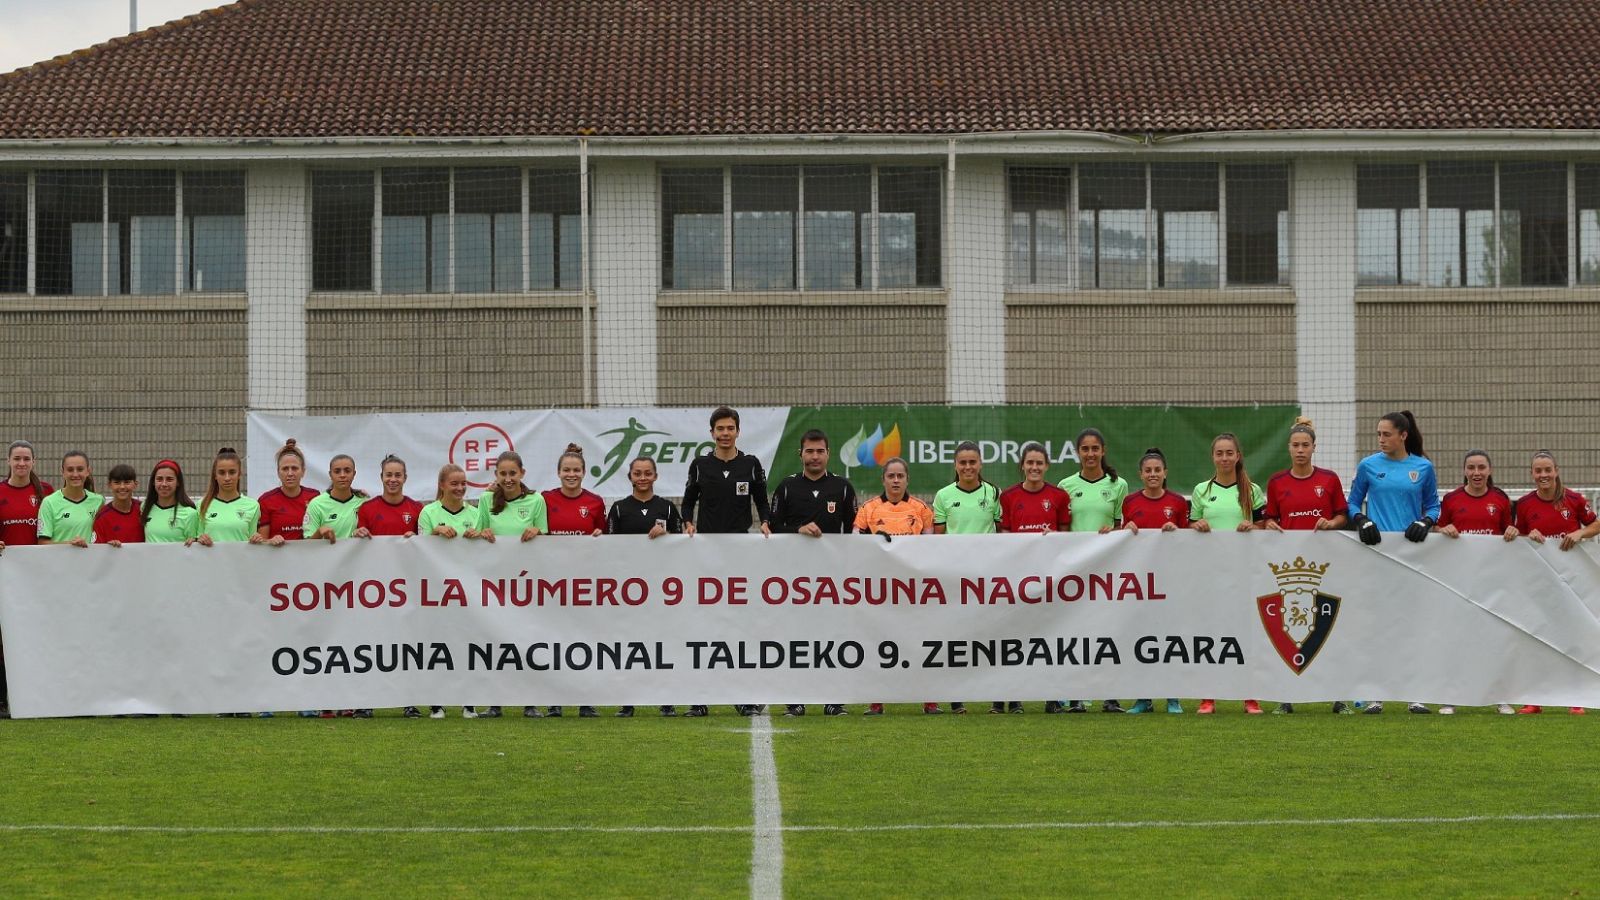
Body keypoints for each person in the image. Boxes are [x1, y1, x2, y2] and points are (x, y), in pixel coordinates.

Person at [1347, 410, 1440, 715]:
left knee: (1413, 626)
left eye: (1386, 434)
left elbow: (1433, 505)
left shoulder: (1423, 467)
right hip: (1377, 556)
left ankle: (1416, 695)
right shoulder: (1368, 466)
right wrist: (1361, 520)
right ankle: (1377, 695)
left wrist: (1426, 522)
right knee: (1378, 626)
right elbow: (1352, 502)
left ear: (1403, 435)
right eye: (1378, 434)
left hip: (1412, 558)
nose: (1381, 439)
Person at [682, 406, 772, 717]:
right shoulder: (700, 465)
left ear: (737, 431)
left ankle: (742, 694)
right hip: (706, 554)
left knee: (739, 625)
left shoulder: (751, 464)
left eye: (730, 428)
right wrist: (687, 523)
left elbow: (762, 501)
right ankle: (699, 698)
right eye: (719, 428)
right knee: (705, 625)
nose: (725, 433)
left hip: (741, 553)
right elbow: (688, 502)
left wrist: (766, 521)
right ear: (712, 433)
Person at [1261, 418, 1350, 714]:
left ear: (1314, 448)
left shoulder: (1329, 480)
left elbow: (1343, 516)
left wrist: (1331, 524)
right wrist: (1270, 524)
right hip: (1289, 569)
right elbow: (1270, 518)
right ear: (1288, 448)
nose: (1300, 450)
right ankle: (1286, 696)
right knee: (1289, 629)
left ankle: (1338, 697)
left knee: (1328, 628)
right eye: (1296, 445)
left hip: (1325, 566)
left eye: (1305, 445)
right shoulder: (1277, 482)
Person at [770, 429, 858, 717]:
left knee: (832, 638)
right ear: (801, 454)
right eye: (810, 451)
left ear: (828, 454)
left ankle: (833, 699)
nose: (815, 456)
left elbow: (854, 532)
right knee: (796, 639)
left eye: (820, 451)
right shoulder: (786, 487)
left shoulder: (843, 487)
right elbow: (773, 526)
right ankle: (795, 699)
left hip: (833, 580)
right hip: (793, 580)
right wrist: (798, 529)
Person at [1512, 450, 1599, 716]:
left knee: (1574, 638)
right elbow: (1517, 537)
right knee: (1537, 638)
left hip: (1571, 583)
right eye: (1538, 471)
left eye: (1547, 470)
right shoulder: (1524, 504)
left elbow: (1596, 525)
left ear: (1556, 471)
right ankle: (1534, 700)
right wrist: (1528, 534)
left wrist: (1580, 532)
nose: (1543, 475)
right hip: (1539, 581)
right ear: (1532, 474)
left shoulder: (1574, 499)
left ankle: (1577, 699)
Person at [1435, 449, 1518, 716]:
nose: (1476, 473)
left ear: (1489, 470)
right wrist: (1442, 529)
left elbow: (1509, 533)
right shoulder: (1451, 499)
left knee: (1493, 640)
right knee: (1457, 640)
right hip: (1459, 582)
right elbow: (1437, 529)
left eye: (1481, 467)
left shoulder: (1500, 499)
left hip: (1491, 582)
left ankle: (1500, 696)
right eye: (1471, 468)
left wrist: (1512, 531)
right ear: (1464, 471)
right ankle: (1451, 697)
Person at [853, 457, 939, 716]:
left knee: (921, 642)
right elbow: (855, 544)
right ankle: (876, 701)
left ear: (907, 479)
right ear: (883, 480)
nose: (896, 480)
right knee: (879, 642)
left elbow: (930, 547)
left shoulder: (921, 509)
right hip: (880, 589)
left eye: (900, 476)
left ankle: (930, 700)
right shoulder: (868, 509)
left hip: (914, 588)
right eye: (891, 476)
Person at [1189, 433, 1266, 715]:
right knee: (1210, 634)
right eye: (1219, 453)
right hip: (1210, 575)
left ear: (1238, 456)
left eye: (1229, 453)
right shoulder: (1201, 490)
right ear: (1213, 457)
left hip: (1243, 574)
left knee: (1246, 634)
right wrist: (1196, 526)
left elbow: (1264, 527)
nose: (1224, 458)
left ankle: (1250, 697)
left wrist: (1252, 527)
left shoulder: (1251, 490)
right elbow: (1189, 527)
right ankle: (1208, 697)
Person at [1056, 428, 1130, 712]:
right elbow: (1063, 528)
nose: (1090, 454)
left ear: (1103, 451)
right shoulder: (1065, 485)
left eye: (1095, 449)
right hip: (1075, 570)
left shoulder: (1118, 485)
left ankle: (1110, 696)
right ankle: (1076, 695)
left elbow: (1123, 527)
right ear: (1078, 452)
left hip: (1107, 568)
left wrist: (1113, 532)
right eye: (1085, 449)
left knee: (1108, 630)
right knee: (1075, 632)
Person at [607, 456, 684, 719]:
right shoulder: (619, 509)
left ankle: (667, 700)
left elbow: (683, 544)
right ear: (630, 476)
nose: (642, 478)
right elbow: (608, 547)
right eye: (637, 473)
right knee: (630, 645)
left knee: (664, 644)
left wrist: (667, 536)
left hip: (662, 589)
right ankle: (628, 701)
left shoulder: (668, 508)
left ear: (656, 476)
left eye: (647, 473)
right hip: (630, 591)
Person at [997, 441, 1071, 713]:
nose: (1035, 467)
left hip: (1049, 579)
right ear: (1022, 465)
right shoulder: (1008, 496)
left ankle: (1052, 697)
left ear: (1047, 466)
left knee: (1050, 637)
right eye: (1030, 463)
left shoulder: (1059, 496)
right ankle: (1015, 697)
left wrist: (1054, 539)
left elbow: (1066, 535)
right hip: (1018, 579)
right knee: (1017, 638)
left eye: (1039, 463)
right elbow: (1004, 537)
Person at [475, 450, 547, 719]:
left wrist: (538, 531)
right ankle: (495, 703)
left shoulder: (536, 500)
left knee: (528, 642)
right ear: (496, 475)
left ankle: (530, 702)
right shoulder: (485, 500)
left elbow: (546, 535)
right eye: (503, 474)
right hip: (494, 583)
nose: (508, 479)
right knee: (496, 641)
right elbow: (477, 533)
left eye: (512, 473)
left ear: (522, 473)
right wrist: (482, 532)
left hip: (527, 584)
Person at [933, 441, 1001, 715]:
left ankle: (998, 698)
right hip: (956, 579)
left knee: (992, 636)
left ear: (980, 463)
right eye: (963, 462)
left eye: (972, 462)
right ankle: (956, 697)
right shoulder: (943, 495)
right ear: (955, 465)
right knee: (957, 637)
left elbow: (1003, 535)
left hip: (988, 579)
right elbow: (937, 541)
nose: (968, 467)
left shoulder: (993, 493)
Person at [1120, 448, 1188, 715]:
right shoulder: (1130, 502)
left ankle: (1173, 698)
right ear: (1140, 474)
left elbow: (1188, 542)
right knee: (1141, 640)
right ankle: (1143, 698)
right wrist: (1125, 529)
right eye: (1148, 470)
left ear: (1165, 473)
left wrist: (1177, 532)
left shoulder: (1178, 503)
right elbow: (1121, 541)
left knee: (1170, 640)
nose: (1153, 474)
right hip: (1139, 584)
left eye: (1157, 470)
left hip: (1170, 581)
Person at [543, 444, 606, 717]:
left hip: (583, 585)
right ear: (558, 472)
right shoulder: (544, 499)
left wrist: (600, 538)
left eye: (576, 470)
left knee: (584, 641)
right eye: (566, 470)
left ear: (584, 472)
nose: (571, 474)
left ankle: (585, 699)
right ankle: (554, 700)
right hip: (551, 584)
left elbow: (605, 538)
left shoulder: (595, 502)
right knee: (552, 641)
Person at [418, 464, 478, 718]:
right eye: (454, 483)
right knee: (437, 647)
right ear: (442, 485)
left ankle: (469, 702)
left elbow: (487, 549)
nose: (460, 488)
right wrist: (434, 533)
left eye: (463, 483)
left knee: (468, 645)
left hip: (468, 592)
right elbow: (418, 549)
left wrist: (480, 535)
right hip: (437, 592)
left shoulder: (475, 513)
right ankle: (436, 703)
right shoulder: (428, 512)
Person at [0, 440, 54, 717]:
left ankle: (40, 696)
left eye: (26, 459)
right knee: (5, 638)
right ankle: (3, 699)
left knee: (39, 635)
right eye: (17, 459)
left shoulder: (46, 492)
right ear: (8, 461)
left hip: (40, 579)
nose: (21, 463)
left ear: (34, 462)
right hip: (7, 578)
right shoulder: (0, 492)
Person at [189, 448, 261, 547]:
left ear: (239, 474)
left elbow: (253, 542)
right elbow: (197, 539)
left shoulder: (253, 505)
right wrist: (199, 540)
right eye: (222, 473)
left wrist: (256, 539)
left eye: (232, 472)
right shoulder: (202, 504)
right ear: (215, 475)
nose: (227, 478)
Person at [257, 438, 320, 545]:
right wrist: (270, 541)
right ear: (278, 472)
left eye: (294, 468)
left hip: (309, 555)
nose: (290, 473)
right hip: (277, 556)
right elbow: (261, 543)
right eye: (285, 469)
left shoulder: (315, 497)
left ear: (303, 471)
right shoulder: (266, 500)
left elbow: (320, 538)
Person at [36, 450, 101, 548]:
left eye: (80, 469)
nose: (75, 474)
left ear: (88, 471)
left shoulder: (99, 501)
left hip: (91, 558)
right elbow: (42, 543)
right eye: (70, 470)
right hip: (60, 558)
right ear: (63, 472)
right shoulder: (49, 502)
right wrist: (70, 545)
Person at [304, 454, 366, 545]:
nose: (342, 475)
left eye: (347, 471)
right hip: (326, 554)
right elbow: (306, 546)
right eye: (337, 471)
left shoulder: (364, 502)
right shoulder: (316, 504)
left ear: (354, 474)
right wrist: (319, 532)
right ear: (330, 474)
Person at [141, 460, 200, 545]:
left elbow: (193, 547)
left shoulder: (190, 514)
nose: (164, 484)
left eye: (169, 479)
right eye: (159, 479)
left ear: (178, 482)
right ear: (153, 482)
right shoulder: (145, 507)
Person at [92, 464, 144, 546]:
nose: (122, 487)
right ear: (109, 485)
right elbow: (97, 549)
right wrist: (109, 547)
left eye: (127, 482)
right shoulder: (102, 517)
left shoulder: (143, 510)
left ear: (135, 484)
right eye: (117, 483)